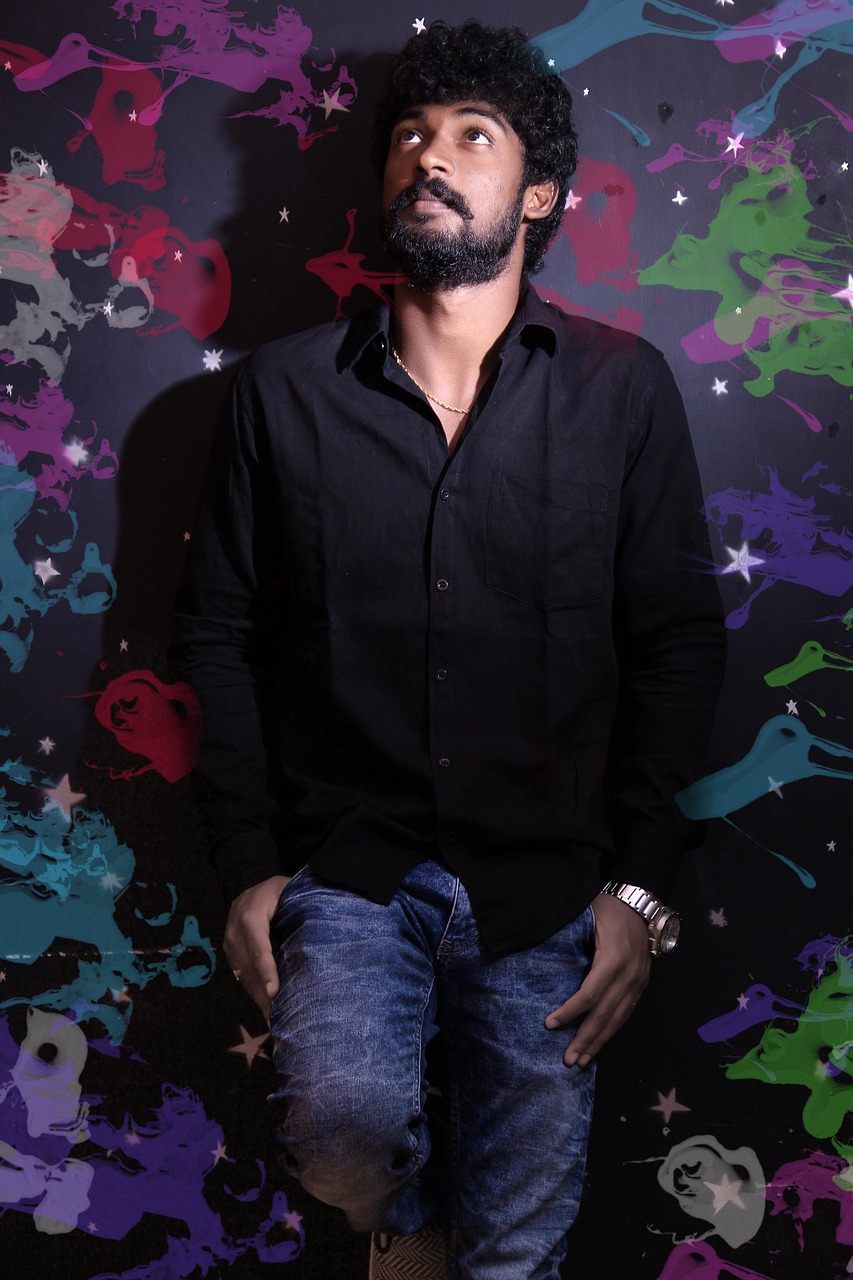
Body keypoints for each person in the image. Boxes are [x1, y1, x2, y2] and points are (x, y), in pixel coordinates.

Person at [173, 19, 726, 1279]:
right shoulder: (281, 392)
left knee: (519, 1248)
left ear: (537, 193)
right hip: (349, 871)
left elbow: (677, 642)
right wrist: (250, 867)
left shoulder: (623, 389)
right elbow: (217, 633)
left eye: (473, 136)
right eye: (411, 136)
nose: (429, 156)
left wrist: (640, 887)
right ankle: (405, 1221)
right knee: (341, 1131)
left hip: (550, 884)